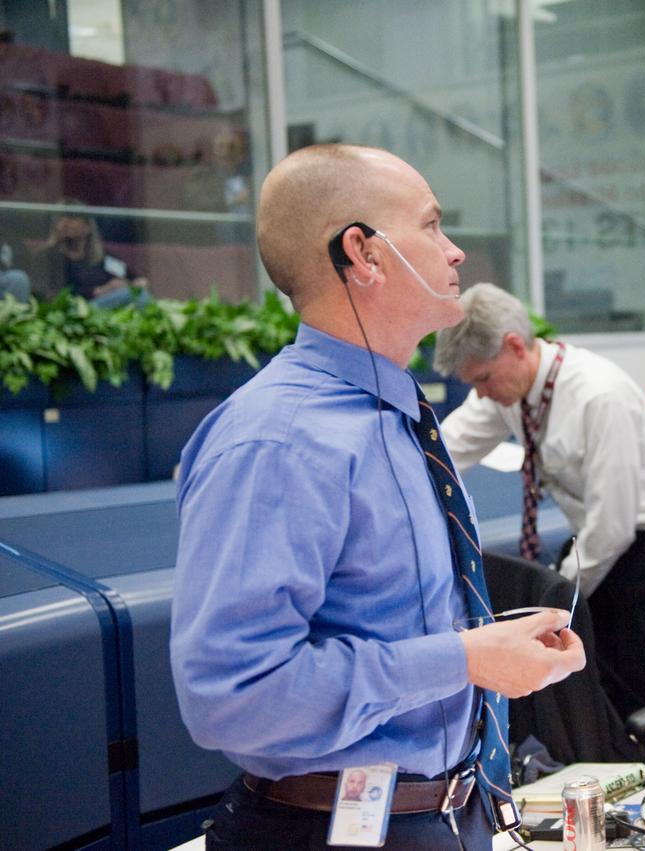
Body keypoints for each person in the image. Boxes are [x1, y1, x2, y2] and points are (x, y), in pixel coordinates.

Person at [170, 144, 585, 850]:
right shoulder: (279, 439)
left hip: (446, 810)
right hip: (335, 827)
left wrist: (491, 649)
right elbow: (231, 696)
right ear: (363, 252)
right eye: (431, 225)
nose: (454, 252)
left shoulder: (397, 415)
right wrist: (464, 659)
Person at [435, 283, 645, 719]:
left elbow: (611, 526)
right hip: (602, 550)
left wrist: (555, 600)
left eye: (483, 379)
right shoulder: (511, 392)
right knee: (601, 695)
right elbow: (448, 450)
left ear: (514, 346)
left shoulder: (598, 395)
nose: (481, 393)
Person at [41, 206, 150, 307]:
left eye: (72, 218)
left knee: (138, 293)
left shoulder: (103, 257)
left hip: (108, 307)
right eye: (60, 218)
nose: (65, 222)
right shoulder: (50, 256)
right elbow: (55, 293)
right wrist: (101, 290)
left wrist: (137, 282)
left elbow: (131, 276)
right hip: (77, 309)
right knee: (135, 295)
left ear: (87, 227)